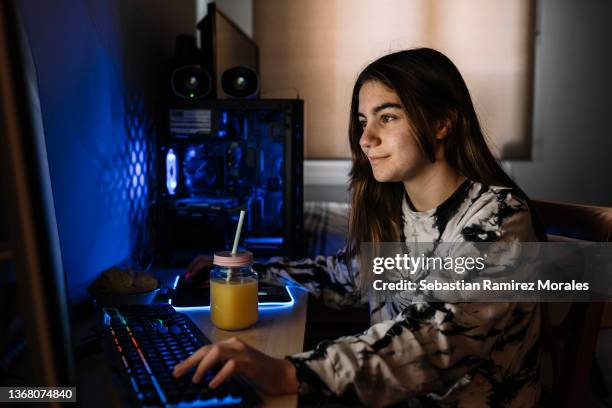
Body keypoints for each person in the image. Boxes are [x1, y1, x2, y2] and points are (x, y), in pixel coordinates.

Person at [173, 48, 544, 407]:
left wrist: (292, 372)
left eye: (388, 117)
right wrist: (246, 273)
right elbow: (345, 275)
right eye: (363, 121)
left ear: (441, 122)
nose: (366, 139)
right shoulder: (394, 211)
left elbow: (439, 338)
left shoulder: (500, 218)